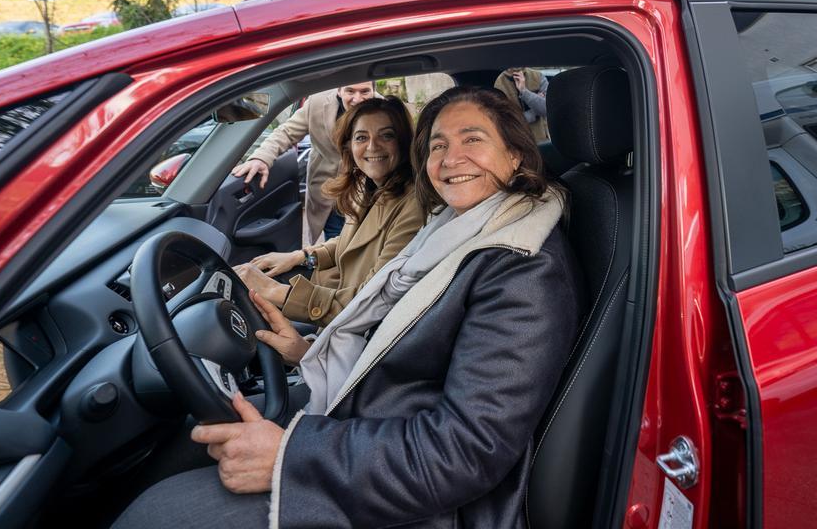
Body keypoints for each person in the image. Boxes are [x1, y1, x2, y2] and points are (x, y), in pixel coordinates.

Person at [114, 86, 582, 529]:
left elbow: (464, 452)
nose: (450, 159)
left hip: (425, 502)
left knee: (159, 515)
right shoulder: (456, 226)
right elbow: (405, 343)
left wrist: (289, 456)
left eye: (472, 140)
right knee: (193, 437)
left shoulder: (523, 271)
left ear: (516, 155)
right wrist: (305, 351)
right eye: (438, 145)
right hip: (373, 428)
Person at [235, 96, 425, 327]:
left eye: (387, 135)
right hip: (334, 292)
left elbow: (371, 303)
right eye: (361, 137)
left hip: (349, 319)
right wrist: (302, 256)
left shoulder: (413, 206)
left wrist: (274, 290)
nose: (373, 146)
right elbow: (350, 243)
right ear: (348, 146)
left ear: (404, 143)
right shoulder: (368, 186)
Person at [232, 82, 376, 244]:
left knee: (364, 243)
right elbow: (287, 132)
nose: (357, 99)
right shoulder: (317, 103)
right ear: (339, 90)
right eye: (350, 91)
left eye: (365, 91)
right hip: (328, 192)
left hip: (367, 193)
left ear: (374, 91)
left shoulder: (384, 109)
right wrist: (261, 157)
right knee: (334, 241)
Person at [494, 66, 549, 142]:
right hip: (517, 141)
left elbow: (547, 109)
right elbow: (507, 121)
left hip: (542, 139)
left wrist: (524, 92)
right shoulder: (499, 83)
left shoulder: (538, 76)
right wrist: (534, 111)